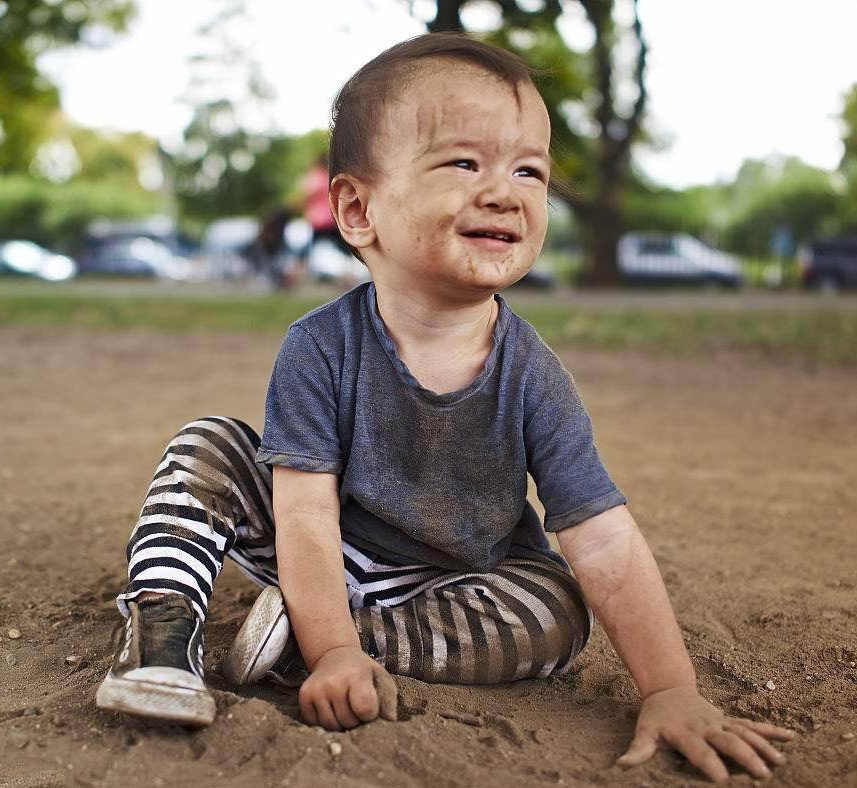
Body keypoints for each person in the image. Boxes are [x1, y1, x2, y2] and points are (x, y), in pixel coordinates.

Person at [95, 33, 794, 783]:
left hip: (454, 583)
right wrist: (336, 652)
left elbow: (602, 541)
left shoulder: (533, 377)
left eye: (530, 170)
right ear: (359, 210)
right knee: (209, 445)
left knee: (555, 613)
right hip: (324, 544)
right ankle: (165, 631)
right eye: (465, 162)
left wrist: (671, 690)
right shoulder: (319, 347)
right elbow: (302, 514)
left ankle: (311, 639)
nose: (506, 191)